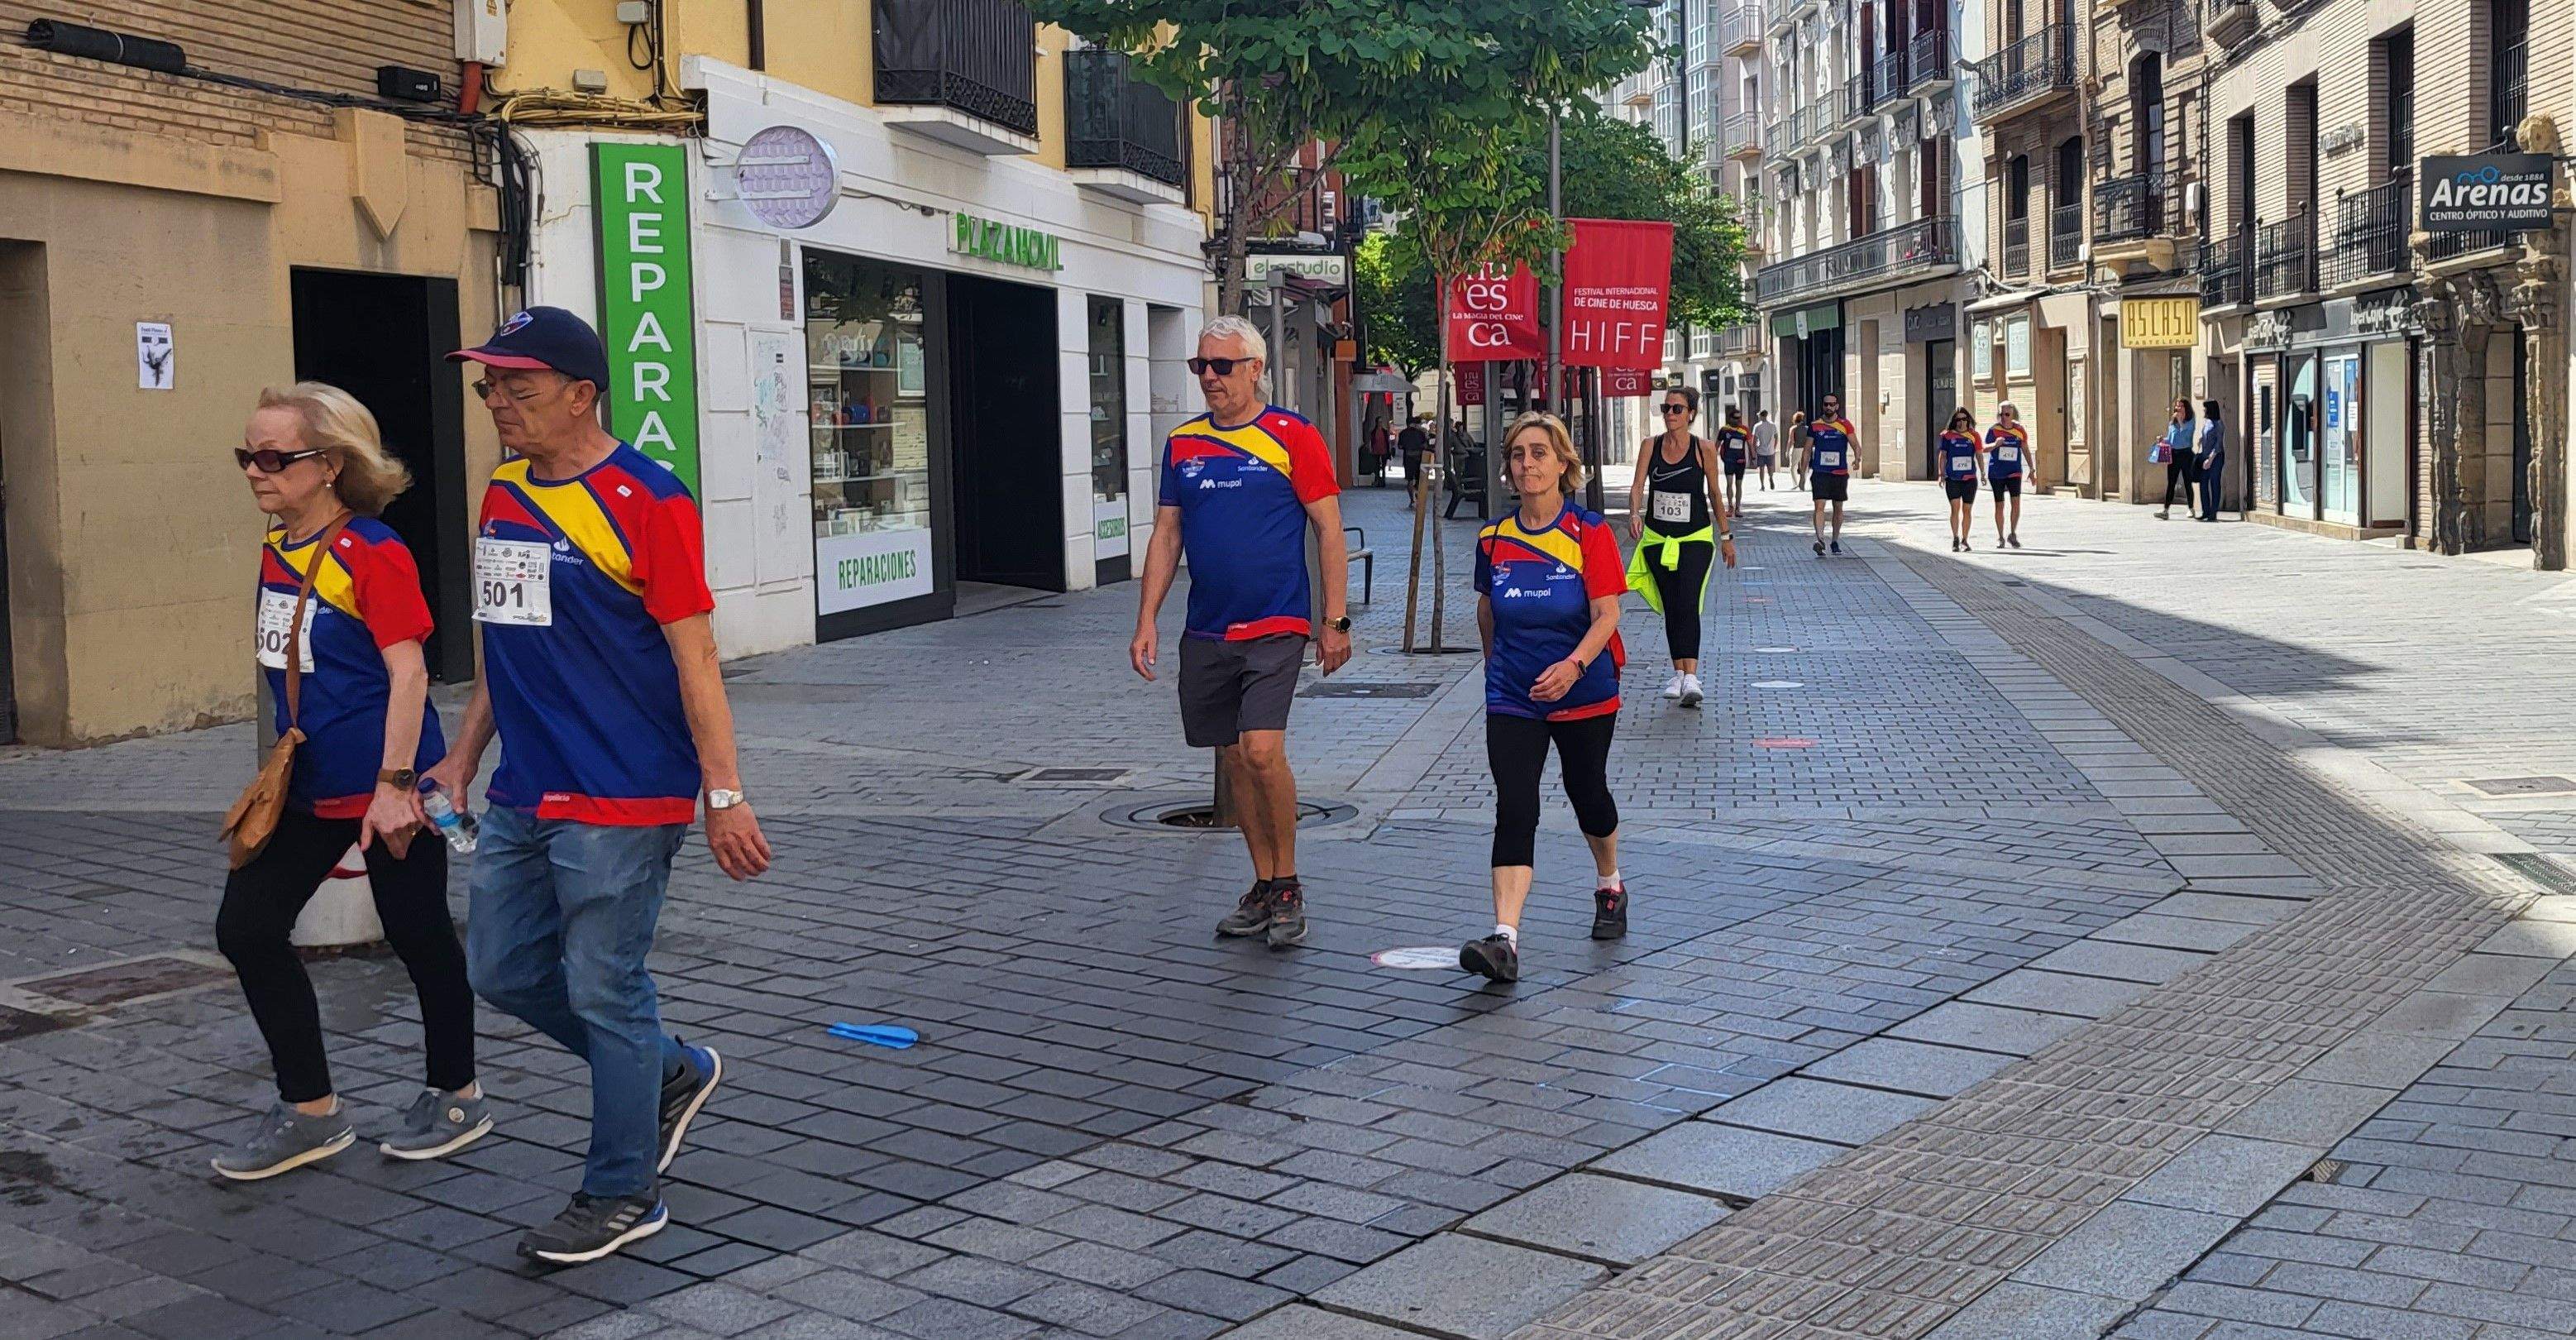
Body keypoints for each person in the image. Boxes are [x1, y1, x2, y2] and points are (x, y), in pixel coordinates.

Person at [428, 307, 772, 1266]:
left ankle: (623, 1191)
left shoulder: (649, 497)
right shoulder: (502, 493)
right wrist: (462, 756)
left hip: (626, 791)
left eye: (517, 387)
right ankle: (667, 1073)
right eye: (488, 387)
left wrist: (724, 792)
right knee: (501, 970)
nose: (497, 403)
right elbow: (508, 639)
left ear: (581, 394)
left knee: (604, 986)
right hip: (524, 789)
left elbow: (693, 653)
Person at [212, 384, 484, 1180]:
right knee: (248, 929)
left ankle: (457, 1093)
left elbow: (410, 674)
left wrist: (397, 785)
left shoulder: (371, 550)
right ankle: (312, 1112)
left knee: (418, 933)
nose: (256, 471)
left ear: (329, 466)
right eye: (247, 456)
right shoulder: (277, 545)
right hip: (307, 783)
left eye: (273, 457)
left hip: (383, 784)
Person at [1132, 315, 1352, 950]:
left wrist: (1333, 621)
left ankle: (1288, 884)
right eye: (1200, 366)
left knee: (1260, 751)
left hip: (1276, 621)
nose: (1208, 377)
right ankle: (1262, 884)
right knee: (1232, 761)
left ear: (1255, 369)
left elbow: (1329, 529)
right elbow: (1167, 533)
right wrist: (1146, 618)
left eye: (1220, 366)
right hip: (1206, 628)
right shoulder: (1183, 444)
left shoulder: (1292, 435)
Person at [1461, 412, 1627, 984]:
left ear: (1563, 464)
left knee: (1587, 794)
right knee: (1515, 805)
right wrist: (1497, 668)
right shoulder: (1493, 539)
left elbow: (1608, 614)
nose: (1526, 464)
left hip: (1584, 689)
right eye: (1516, 454)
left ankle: (1608, 882)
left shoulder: (1588, 532)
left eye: (1537, 453)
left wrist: (1573, 665)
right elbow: (1487, 609)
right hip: (1514, 694)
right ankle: (1504, 939)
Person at [1625, 387, 1735, 708]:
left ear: (1691, 414)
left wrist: (1726, 537)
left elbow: (1715, 494)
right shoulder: (1651, 446)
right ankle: (1678, 673)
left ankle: (1692, 676)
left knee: (1688, 600)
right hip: (1658, 539)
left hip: (1694, 538)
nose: (1670, 414)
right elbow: (1638, 485)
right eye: (1666, 408)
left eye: (1677, 408)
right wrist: (1635, 513)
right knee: (1671, 604)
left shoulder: (1704, 449)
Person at [1806, 395, 1858, 555]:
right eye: (1826, 404)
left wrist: (1857, 459)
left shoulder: (1845, 425)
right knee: (1819, 505)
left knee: (1838, 507)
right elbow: (1808, 449)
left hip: (1839, 473)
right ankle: (1820, 539)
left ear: (1837, 406)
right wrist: (1802, 472)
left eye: (1832, 404)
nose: (1829, 407)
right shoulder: (1815, 426)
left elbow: (1855, 444)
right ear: (1823, 406)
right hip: (1820, 472)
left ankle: (1835, 540)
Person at [1936, 407, 1982, 553]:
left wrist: (1983, 473)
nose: (1961, 422)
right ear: (1954, 422)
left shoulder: (1974, 436)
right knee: (1955, 509)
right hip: (1953, 478)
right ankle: (1955, 537)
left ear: (1968, 420)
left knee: (1967, 510)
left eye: (1964, 419)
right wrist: (1941, 474)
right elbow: (1943, 456)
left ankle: (1965, 540)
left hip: (1970, 479)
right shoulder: (1947, 436)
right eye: (1958, 420)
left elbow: (1979, 455)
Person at [1987, 401, 2031, 548]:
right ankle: (2000, 537)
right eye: (2001, 414)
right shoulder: (1993, 430)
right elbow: (1983, 448)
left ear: (2013, 415)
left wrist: (2032, 469)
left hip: (2014, 472)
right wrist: (1995, 445)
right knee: (1999, 505)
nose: (2003, 417)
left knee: (2016, 503)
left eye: (2006, 414)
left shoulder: (2019, 430)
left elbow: (2025, 449)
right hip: (1997, 472)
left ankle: (2012, 534)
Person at [2155, 399, 2197, 520]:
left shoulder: (2191, 421)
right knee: (2171, 483)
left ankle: (2191, 508)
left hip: (2186, 454)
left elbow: (2186, 435)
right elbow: (2171, 438)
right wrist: (2163, 440)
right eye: (2177, 406)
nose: (2178, 408)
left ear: (2186, 408)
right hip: (2174, 454)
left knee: (2187, 481)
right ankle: (2166, 510)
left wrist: (2180, 420)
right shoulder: (2172, 422)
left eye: (2181, 406)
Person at [1713, 404, 1752, 518]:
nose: (1738, 420)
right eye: (1735, 418)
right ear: (1730, 418)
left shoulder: (1744, 430)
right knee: (1729, 483)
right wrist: (1713, 457)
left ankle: (1738, 508)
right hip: (1729, 460)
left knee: (1739, 484)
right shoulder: (1724, 430)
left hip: (1740, 461)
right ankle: (1730, 507)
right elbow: (1717, 444)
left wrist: (1753, 456)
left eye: (1739, 418)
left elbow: (1749, 444)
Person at [2196, 400, 2227, 522]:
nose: (2204, 411)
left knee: (2214, 483)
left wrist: (2210, 459)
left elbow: (2218, 445)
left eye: (2205, 409)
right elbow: (2207, 436)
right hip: (2205, 456)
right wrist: (2201, 440)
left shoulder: (2218, 424)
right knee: (2203, 484)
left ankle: (2213, 513)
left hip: (2216, 458)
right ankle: (2206, 511)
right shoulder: (2207, 422)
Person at [1398, 415, 1431, 510]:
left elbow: (1400, 446)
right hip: (1419, 458)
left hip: (1408, 458)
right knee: (1419, 479)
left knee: (1409, 480)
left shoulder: (1403, 433)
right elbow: (1425, 444)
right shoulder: (1420, 433)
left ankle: (1412, 500)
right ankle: (1418, 495)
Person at [1752, 409, 1780, 491]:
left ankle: (1762, 485)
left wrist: (1754, 449)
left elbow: (1754, 439)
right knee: (1770, 467)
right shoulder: (1773, 425)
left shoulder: (1757, 426)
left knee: (1761, 469)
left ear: (1761, 416)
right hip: (1770, 450)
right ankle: (1771, 477)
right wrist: (1774, 447)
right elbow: (1776, 437)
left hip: (1761, 450)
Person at [1787, 411, 1811, 491]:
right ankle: (1802, 482)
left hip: (1797, 448)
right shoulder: (1807, 429)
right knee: (1804, 467)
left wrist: (1787, 450)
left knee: (1793, 467)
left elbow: (1791, 441)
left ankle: (1795, 484)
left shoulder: (1793, 429)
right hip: (1805, 449)